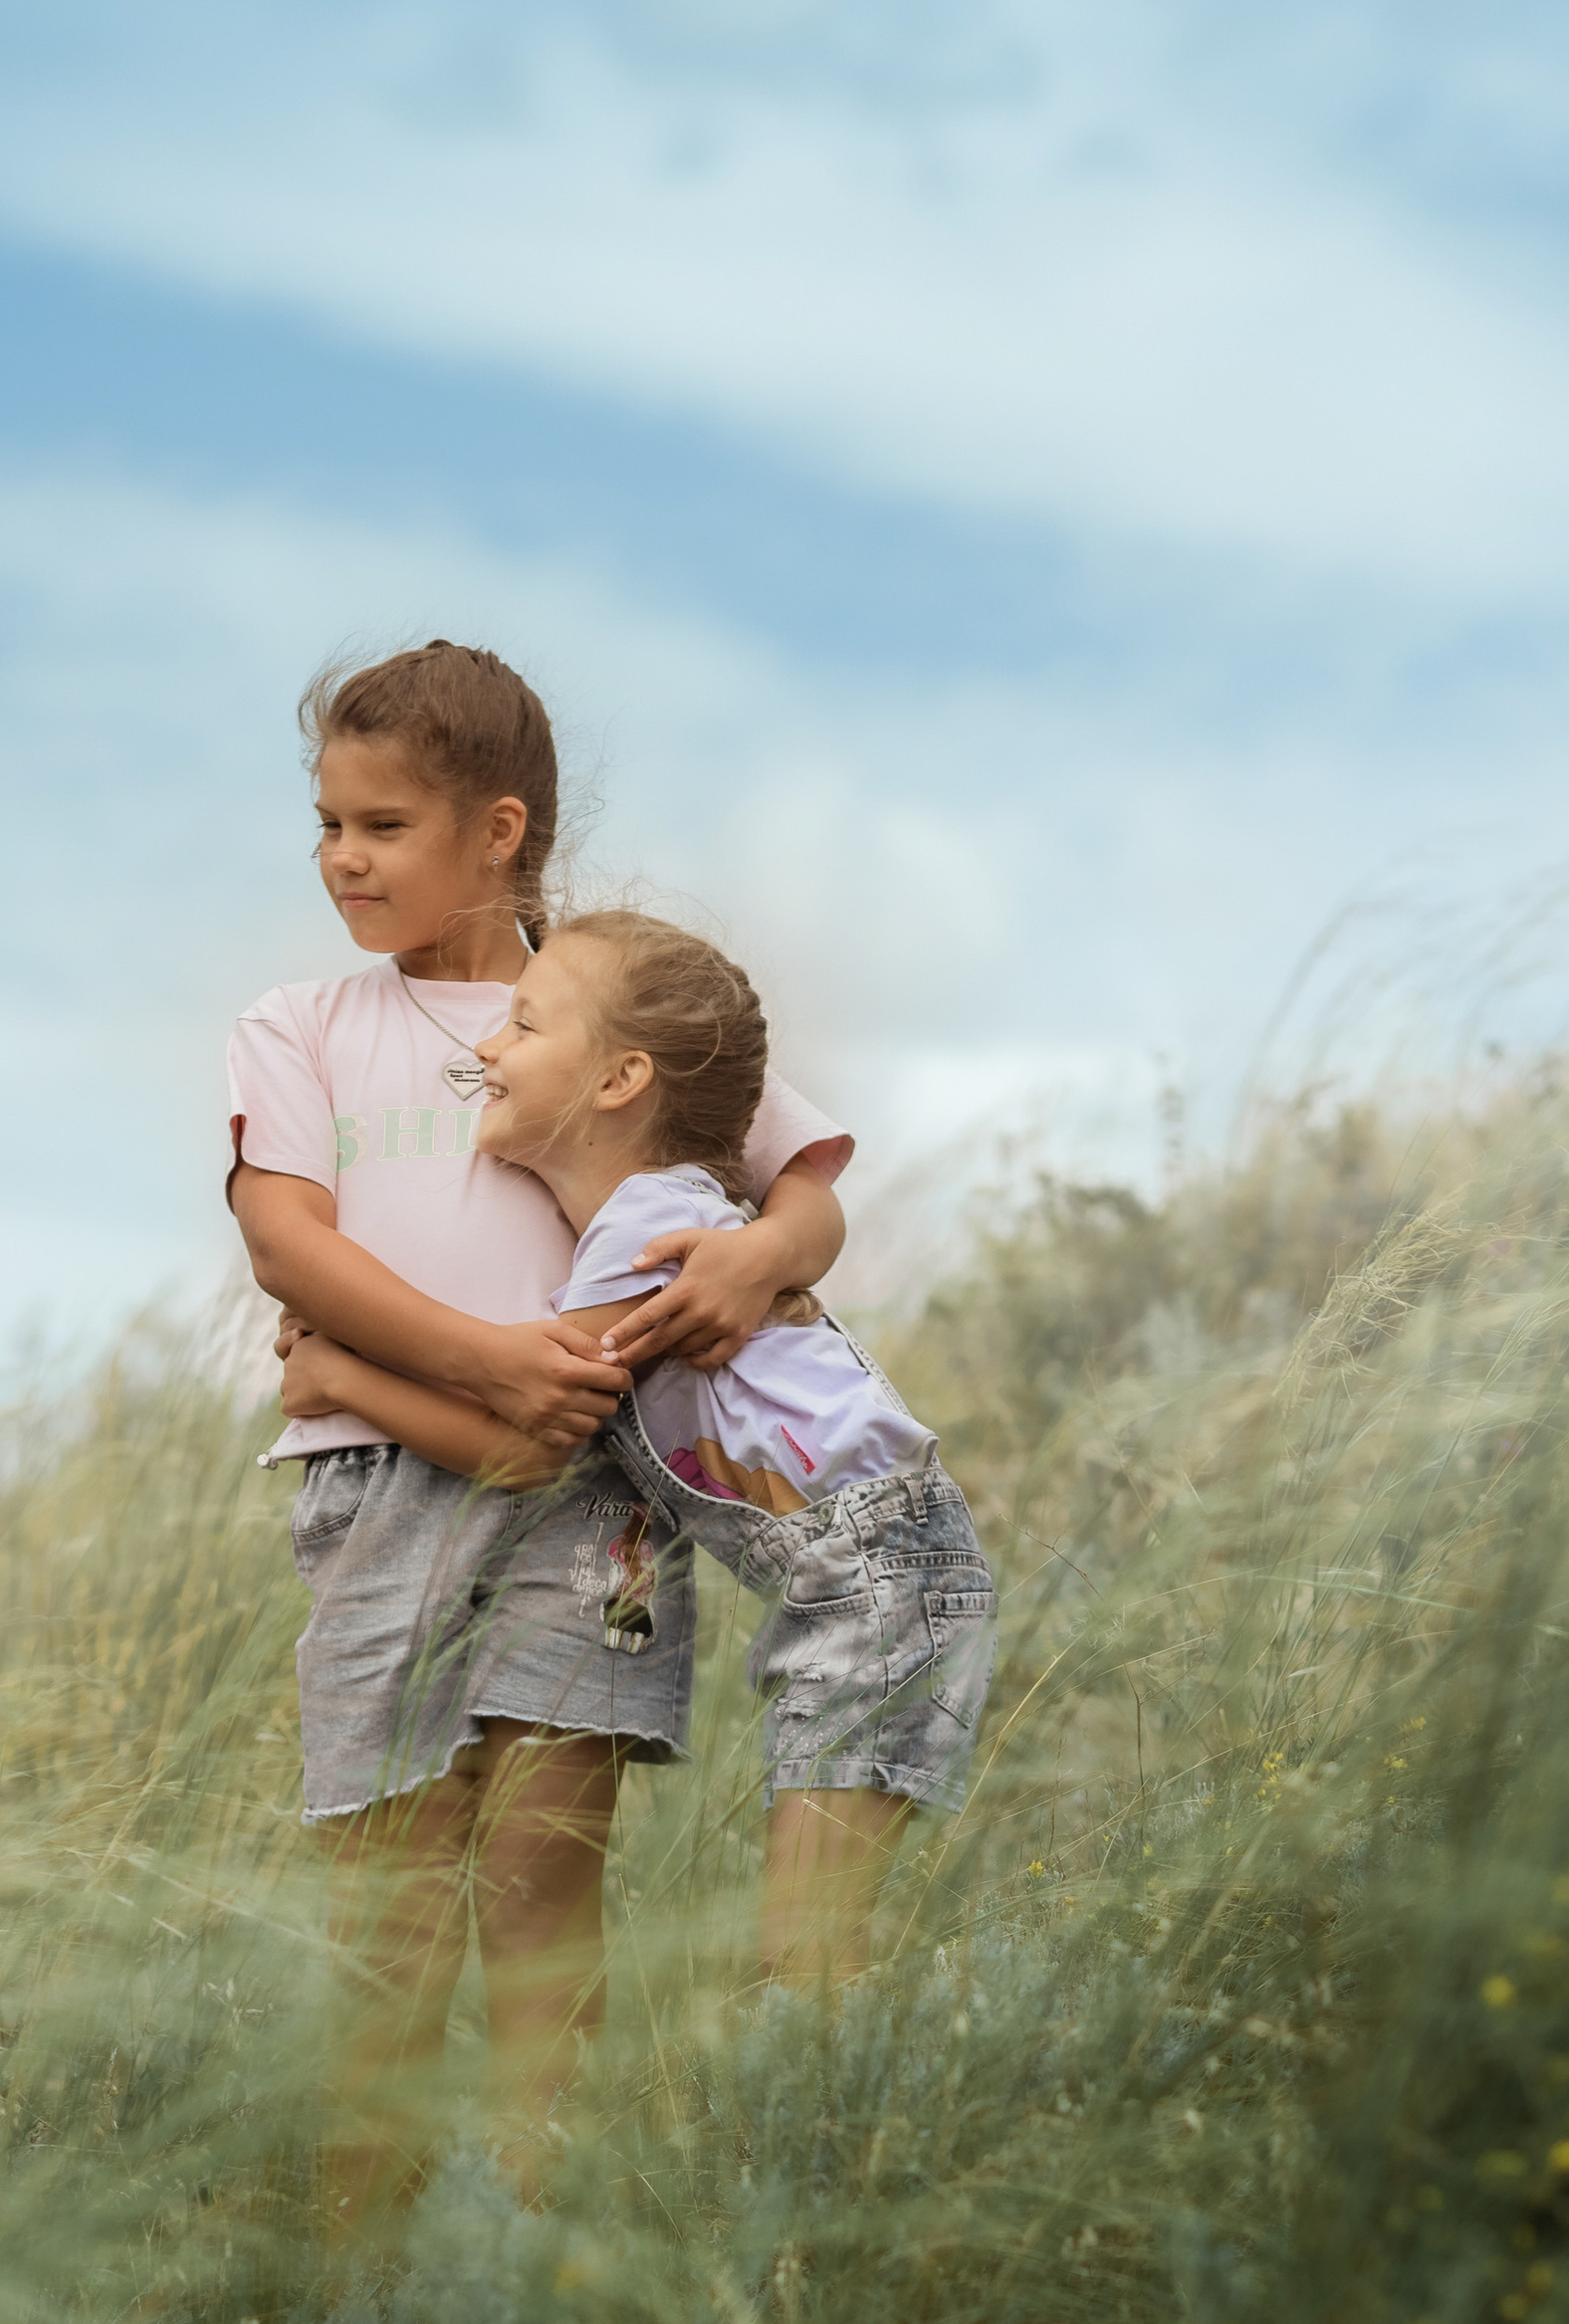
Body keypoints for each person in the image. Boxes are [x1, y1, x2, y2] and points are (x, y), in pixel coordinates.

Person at [227, 645, 851, 2238]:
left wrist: (754, 1259)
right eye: (327, 824)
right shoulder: (303, 1026)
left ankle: (527, 2270)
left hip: (601, 1504)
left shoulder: (608, 996)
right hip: (386, 1489)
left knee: (544, 1880)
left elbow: (806, 1190)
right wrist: (495, 1362)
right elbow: (292, 1250)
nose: (340, 859)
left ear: (498, 830)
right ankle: (360, 2287)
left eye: (381, 825)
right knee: (390, 1902)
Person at [277, 911, 996, 1996]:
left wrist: (339, 1376)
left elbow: (520, 1449)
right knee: (814, 1947)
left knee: (807, 1957)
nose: (485, 1049)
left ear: (617, 1081)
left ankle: (823, 2137)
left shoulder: (642, 1243)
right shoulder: (668, 1221)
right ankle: (834, 2123)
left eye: (521, 1025)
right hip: (886, 1573)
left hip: (879, 1582)